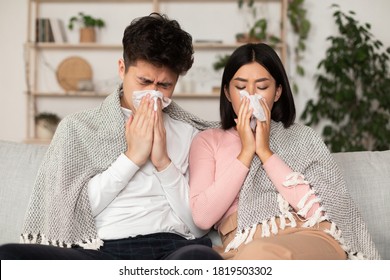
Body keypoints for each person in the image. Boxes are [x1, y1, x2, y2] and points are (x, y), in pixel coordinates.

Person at [0, 13, 221, 260]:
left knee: (202, 258)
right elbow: (68, 214)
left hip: (172, 249)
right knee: (8, 256)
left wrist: (163, 162)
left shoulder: (191, 133)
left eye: (164, 85)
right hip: (102, 252)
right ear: (122, 69)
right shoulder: (79, 128)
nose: (153, 94)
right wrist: (132, 158)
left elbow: (198, 225)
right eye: (144, 81)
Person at [188, 43, 381, 260]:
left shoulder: (301, 136)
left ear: (277, 92)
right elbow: (203, 217)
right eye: (241, 87)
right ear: (227, 92)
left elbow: (319, 210)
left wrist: (264, 151)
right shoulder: (208, 140)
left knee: (260, 255)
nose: (251, 96)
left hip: (311, 236)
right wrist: (246, 152)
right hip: (245, 247)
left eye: (262, 87)